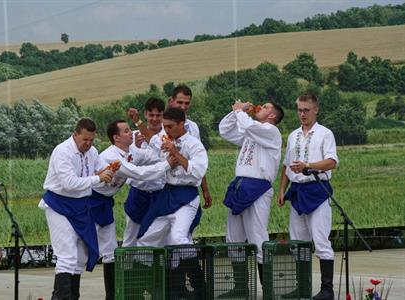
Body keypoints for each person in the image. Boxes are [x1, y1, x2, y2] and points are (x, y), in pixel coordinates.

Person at [92, 119, 173, 300]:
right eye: (127, 131)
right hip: (88, 201)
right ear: (116, 137)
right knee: (78, 251)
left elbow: (150, 156)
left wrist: (170, 150)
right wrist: (168, 164)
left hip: (104, 202)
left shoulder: (131, 152)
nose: (132, 133)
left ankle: (115, 295)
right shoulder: (111, 156)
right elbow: (138, 174)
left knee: (110, 251)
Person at [137, 107, 208, 299]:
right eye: (164, 127)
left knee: (178, 238)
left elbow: (198, 172)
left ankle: (200, 287)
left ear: (181, 124)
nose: (166, 131)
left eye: (169, 127)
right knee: (145, 239)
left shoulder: (194, 145)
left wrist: (176, 153)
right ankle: (158, 287)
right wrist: (137, 122)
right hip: (166, 194)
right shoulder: (164, 141)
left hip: (186, 196)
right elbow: (152, 140)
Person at [38, 118, 113, 300]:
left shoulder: (93, 151)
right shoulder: (62, 151)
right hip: (59, 205)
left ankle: (71, 297)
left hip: (80, 206)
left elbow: (102, 169)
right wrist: (98, 178)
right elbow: (69, 183)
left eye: (91, 140)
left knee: (79, 257)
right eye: (84, 140)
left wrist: (113, 171)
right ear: (75, 134)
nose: (88, 144)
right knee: (67, 256)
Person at [218, 100, 284, 298]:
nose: (259, 108)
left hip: (258, 187)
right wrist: (235, 113)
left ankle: (268, 289)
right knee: (233, 237)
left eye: (264, 107)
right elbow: (225, 130)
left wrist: (240, 111)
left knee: (257, 236)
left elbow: (247, 125)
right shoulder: (251, 132)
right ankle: (240, 287)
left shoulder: (271, 132)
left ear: (272, 116)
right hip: (241, 185)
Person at [277, 93, 338, 300]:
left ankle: (327, 290)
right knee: (298, 242)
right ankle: (301, 286)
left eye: (306, 110)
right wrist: (281, 190)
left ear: (316, 110)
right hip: (297, 190)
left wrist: (309, 166)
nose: (302, 114)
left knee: (320, 240)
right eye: (299, 110)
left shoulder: (325, 133)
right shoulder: (293, 135)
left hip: (317, 189)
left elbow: (331, 162)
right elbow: (287, 165)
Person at [128, 84, 212, 210]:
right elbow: (151, 139)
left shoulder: (193, 127)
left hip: (182, 187)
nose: (183, 107)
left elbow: (197, 161)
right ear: (171, 101)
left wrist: (205, 189)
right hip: (154, 186)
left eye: (187, 103)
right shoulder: (161, 125)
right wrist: (137, 126)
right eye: (179, 102)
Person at [123, 97, 167, 247]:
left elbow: (160, 158)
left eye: (158, 115)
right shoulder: (134, 136)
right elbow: (127, 162)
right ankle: (126, 270)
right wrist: (135, 147)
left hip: (159, 192)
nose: (154, 119)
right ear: (146, 114)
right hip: (138, 191)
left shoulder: (167, 136)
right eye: (151, 115)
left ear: (163, 115)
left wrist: (143, 155)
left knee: (157, 238)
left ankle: (155, 269)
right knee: (131, 236)